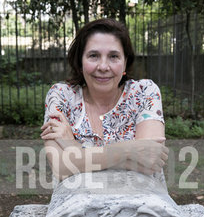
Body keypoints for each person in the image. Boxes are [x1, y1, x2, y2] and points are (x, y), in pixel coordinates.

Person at [40, 18, 169, 183]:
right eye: (93, 56)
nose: (103, 66)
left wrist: (74, 149)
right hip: (76, 204)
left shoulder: (144, 92)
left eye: (113, 56)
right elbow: (61, 168)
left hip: (143, 202)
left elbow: (151, 163)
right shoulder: (61, 96)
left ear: (125, 62)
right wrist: (128, 150)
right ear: (80, 62)